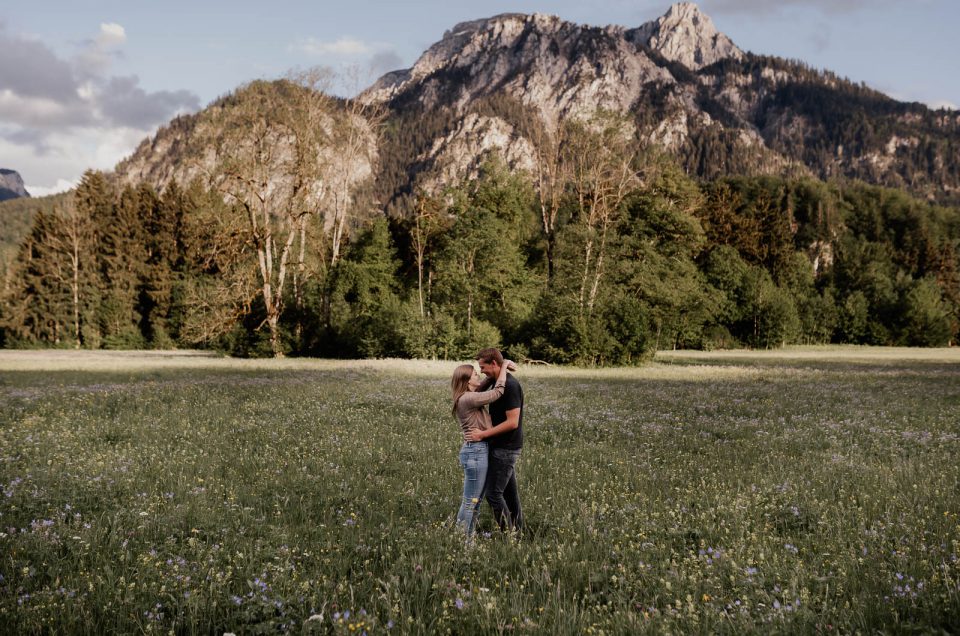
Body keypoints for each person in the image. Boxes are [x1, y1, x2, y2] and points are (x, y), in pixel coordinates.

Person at [450, 358, 512, 539]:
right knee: (470, 502)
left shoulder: (467, 395)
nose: (480, 374)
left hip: (476, 451)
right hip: (475, 452)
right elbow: (498, 392)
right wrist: (505, 367)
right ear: (467, 380)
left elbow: (481, 387)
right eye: (475, 374)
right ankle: (462, 539)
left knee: (475, 501)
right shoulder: (468, 398)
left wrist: (495, 373)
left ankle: (468, 537)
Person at [468, 347, 524, 534]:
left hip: (506, 448)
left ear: (493, 363)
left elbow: (512, 422)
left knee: (493, 494)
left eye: (483, 366)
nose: (481, 370)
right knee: (509, 494)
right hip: (500, 446)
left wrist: (483, 435)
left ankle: (509, 534)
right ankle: (519, 531)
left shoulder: (510, 386)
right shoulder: (497, 381)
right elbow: (476, 389)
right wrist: (505, 364)